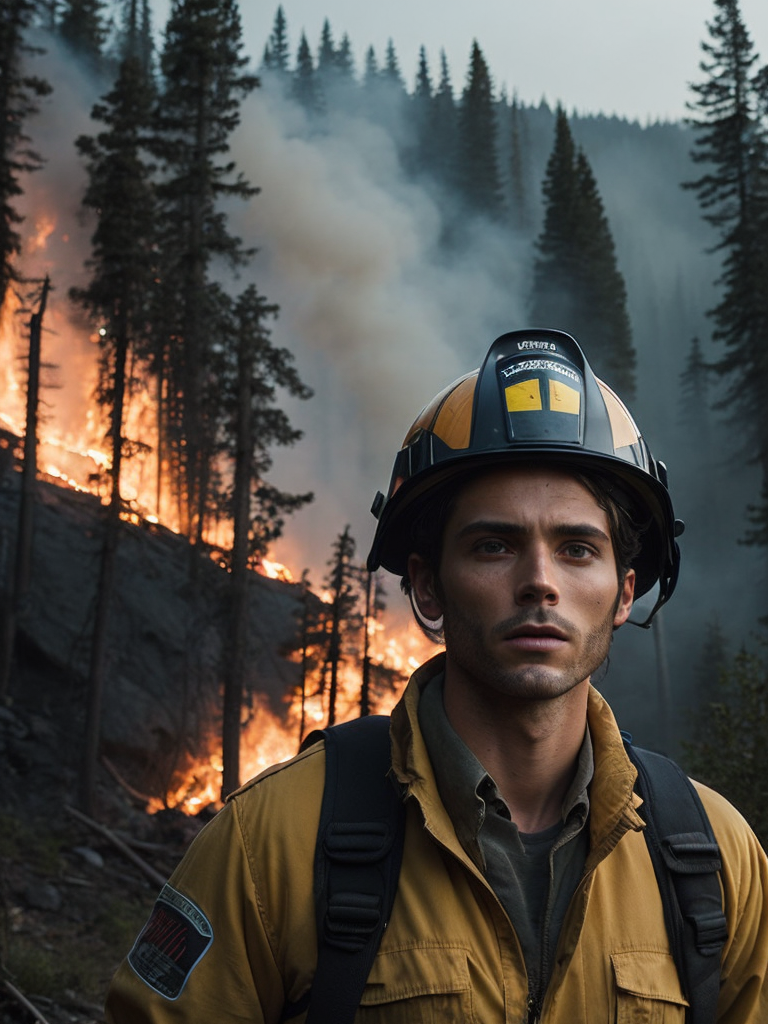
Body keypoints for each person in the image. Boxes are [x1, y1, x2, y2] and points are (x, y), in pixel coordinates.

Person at [105, 329, 768, 1022]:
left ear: (625, 591)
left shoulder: (715, 861)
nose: (540, 582)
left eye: (577, 548)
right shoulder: (274, 841)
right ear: (427, 587)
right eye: (494, 545)